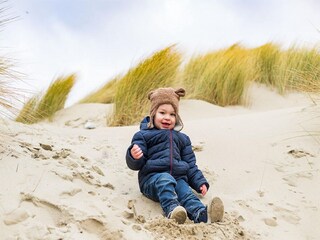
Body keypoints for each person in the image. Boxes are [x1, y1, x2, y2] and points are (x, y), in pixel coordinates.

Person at [126, 87, 224, 224]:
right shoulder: (143, 135)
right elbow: (136, 165)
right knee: (165, 179)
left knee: (186, 192)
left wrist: (199, 182)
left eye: (172, 114)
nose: (167, 117)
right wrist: (134, 156)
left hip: (178, 178)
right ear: (153, 114)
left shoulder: (183, 139)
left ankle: (201, 214)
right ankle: (172, 210)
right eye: (162, 113)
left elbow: (190, 164)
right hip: (152, 180)